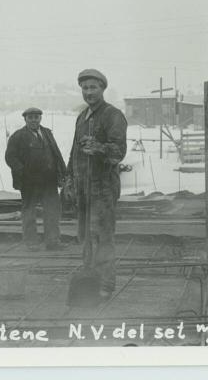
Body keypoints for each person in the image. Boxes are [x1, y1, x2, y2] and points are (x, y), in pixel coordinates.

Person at [66, 69, 127, 299]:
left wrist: (99, 148)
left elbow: (118, 152)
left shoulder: (113, 115)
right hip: (83, 188)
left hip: (102, 189)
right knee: (85, 236)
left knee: (103, 237)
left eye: (93, 87)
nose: (89, 92)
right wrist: (69, 180)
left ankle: (105, 285)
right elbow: (73, 152)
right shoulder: (82, 118)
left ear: (102, 89)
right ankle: (89, 279)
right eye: (85, 88)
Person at [5, 107, 68, 251]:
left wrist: (63, 172)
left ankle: (53, 241)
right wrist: (23, 171)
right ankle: (31, 242)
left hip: (49, 180)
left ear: (40, 118)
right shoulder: (18, 136)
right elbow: (10, 157)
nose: (33, 120)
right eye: (30, 117)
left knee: (52, 210)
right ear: (25, 119)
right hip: (29, 182)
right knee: (29, 211)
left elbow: (56, 153)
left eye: (36, 117)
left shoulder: (47, 133)